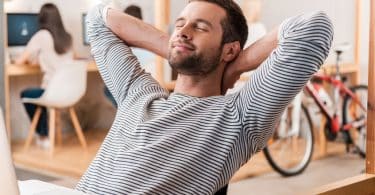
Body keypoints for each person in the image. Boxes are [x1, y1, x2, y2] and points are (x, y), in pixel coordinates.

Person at [76, 0, 333, 194]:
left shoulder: (239, 118)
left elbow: (314, 27)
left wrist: (238, 64)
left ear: (229, 49)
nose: (184, 31)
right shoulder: (138, 93)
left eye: (200, 27)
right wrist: (173, 46)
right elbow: (98, 19)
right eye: (180, 24)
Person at [15, 3, 73, 148]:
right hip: (70, 92)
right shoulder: (68, 37)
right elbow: (73, 59)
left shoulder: (41, 35)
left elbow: (20, 61)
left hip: (51, 92)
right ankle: (45, 133)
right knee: (40, 96)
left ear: (41, 19)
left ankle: (43, 135)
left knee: (26, 94)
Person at [103, 4, 155, 107]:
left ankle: (124, 111)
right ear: (141, 20)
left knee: (107, 89)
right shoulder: (150, 39)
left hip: (133, 91)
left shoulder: (124, 43)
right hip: (151, 87)